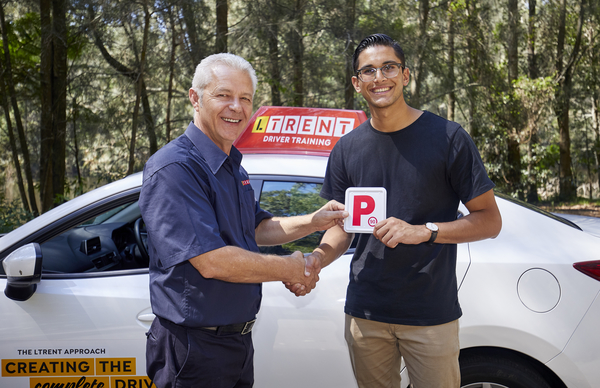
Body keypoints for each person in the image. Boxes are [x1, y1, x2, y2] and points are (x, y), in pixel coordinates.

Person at [304, 34, 502, 388]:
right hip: (365, 314)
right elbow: (341, 227)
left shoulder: (448, 137)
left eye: (388, 67)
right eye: (369, 71)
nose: (379, 77)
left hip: (430, 314)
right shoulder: (346, 149)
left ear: (405, 75)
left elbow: (489, 220)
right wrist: (316, 259)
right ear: (356, 82)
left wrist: (426, 230)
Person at [138, 53, 348, 388]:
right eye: (223, 95)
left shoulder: (233, 166)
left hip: (236, 345)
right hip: (194, 350)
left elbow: (256, 229)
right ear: (195, 97)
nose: (236, 106)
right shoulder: (175, 169)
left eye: (245, 98)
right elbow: (210, 261)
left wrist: (314, 220)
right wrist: (291, 268)